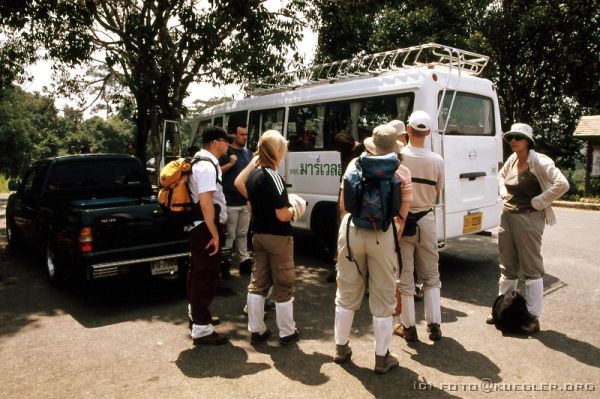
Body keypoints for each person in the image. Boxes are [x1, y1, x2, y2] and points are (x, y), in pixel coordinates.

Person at [333, 124, 411, 374]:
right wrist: (390, 235)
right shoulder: (401, 171)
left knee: (346, 291)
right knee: (383, 297)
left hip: (352, 230)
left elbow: (344, 204)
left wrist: (347, 227)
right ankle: (381, 357)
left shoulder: (354, 165)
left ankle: (341, 348)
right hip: (384, 234)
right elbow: (402, 213)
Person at [491, 123, 569, 333]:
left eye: (518, 137)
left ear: (528, 141)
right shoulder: (513, 159)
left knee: (531, 267)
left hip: (528, 218)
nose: (513, 141)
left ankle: (533, 317)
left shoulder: (539, 160)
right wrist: (502, 191)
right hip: (508, 216)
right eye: (511, 137)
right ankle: (502, 309)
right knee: (507, 265)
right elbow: (500, 176)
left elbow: (562, 184)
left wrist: (540, 201)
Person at [243, 130, 301, 345]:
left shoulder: (252, 175)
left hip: (258, 234)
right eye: (283, 148)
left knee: (258, 284)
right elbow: (282, 214)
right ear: (277, 151)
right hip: (278, 237)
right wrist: (296, 208)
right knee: (284, 284)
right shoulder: (273, 176)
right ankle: (287, 332)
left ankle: (256, 330)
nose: (284, 152)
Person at [394, 110, 445, 342]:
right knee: (431, 274)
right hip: (427, 219)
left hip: (403, 221)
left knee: (405, 274)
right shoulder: (436, 160)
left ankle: (408, 327)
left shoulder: (399, 157)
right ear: (429, 132)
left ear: (408, 129)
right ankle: (434, 325)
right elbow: (438, 192)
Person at [186, 126, 233, 345]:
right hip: (205, 227)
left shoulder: (203, 162)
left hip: (201, 227)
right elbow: (206, 203)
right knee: (205, 275)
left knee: (197, 272)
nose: (228, 144)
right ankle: (202, 329)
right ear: (215, 142)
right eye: (225, 140)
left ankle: (197, 316)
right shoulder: (205, 166)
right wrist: (214, 233)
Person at [387, 119, 424, 301]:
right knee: (409, 255)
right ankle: (413, 287)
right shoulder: (407, 155)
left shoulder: (393, 157)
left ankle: (397, 292)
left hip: (393, 215)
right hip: (412, 211)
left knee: (399, 257)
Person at [326, 132, 366, 283]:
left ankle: (340, 269)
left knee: (343, 230)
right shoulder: (359, 149)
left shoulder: (351, 152)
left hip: (349, 194)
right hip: (353, 193)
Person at [219, 123, 254, 279]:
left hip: (244, 200)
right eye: (241, 134)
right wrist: (230, 163)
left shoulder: (248, 153)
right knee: (229, 235)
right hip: (230, 201)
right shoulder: (226, 152)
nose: (244, 137)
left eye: (246, 134)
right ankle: (225, 264)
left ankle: (244, 260)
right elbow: (217, 172)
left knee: (243, 233)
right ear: (234, 135)